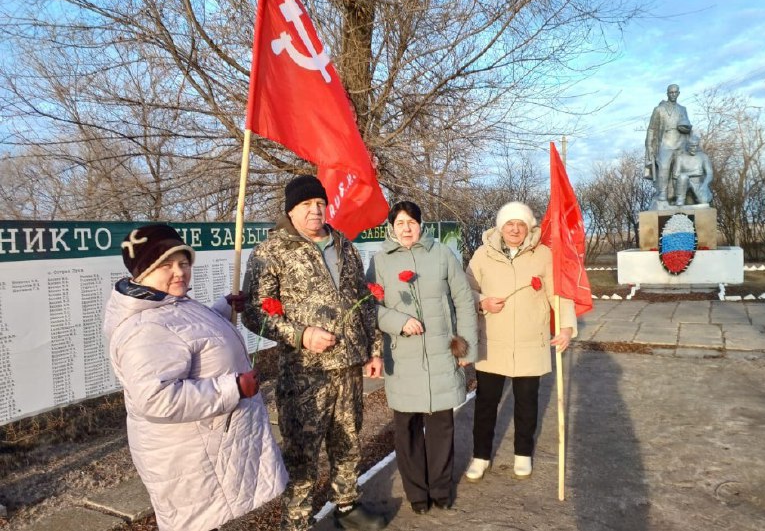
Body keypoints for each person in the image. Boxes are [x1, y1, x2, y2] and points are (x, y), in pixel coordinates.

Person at [103, 224, 287, 531]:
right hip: (190, 454)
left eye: (184, 263)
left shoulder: (168, 302)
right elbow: (158, 398)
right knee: (200, 522)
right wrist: (234, 388)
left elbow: (187, 333)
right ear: (142, 272)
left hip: (207, 444)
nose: (179, 272)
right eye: (165, 265)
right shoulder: (143, 327)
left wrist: (222, 309)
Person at [242, 175, 387, 531]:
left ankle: (348, 506)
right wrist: (302, 334)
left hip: (349, 365)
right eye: (306, 204)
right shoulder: (271, 252)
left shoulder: (343, 244)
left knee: (348, 439)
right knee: (302, 451)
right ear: (291, 210)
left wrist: (375, 350)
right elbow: (254, 311)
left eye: (319, 203)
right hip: (305, 372)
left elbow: (363, 302)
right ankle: (297, 522)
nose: (314, 210)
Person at [366, 201, 478, 515]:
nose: (406, 228)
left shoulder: (442, 255)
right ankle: (417, 492)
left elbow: (464, 301)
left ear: (420, 225)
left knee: (442, 426)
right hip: (402, 359)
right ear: (391, 227)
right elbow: (368, 306)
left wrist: (465, 348)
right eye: (399, 223)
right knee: (407, 429)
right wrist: (397, 322)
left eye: (411, 222)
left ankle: (441, 489)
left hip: (443, 354)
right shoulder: (380, 262)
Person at [464, 202, 577, 482]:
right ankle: (481, 456)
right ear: (501, 227)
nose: (515, 229)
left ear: (529, 227)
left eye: (520, 224)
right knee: (486, 403)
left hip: (531, 340)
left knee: (527, 402)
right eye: (509, 224)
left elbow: (557, 293)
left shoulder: (543, 255)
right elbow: (465, 290)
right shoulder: (482, 255)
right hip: (493, 341)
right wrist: (483, 302)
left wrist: (566, 326)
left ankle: (523, 453)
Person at [645, 83, 693, 204]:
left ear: (678, 93)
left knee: (679, 171)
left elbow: (687, 126)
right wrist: (649, 145)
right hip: (665, 143)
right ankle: (662, 193)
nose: (673, 94)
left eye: (675, 92)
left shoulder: (683, 109)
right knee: (664, 168)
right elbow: (651, 129)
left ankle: (679, 196)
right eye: (671, 92)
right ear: (667, 93)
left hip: (680, 143)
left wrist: (687, 130)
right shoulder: (659, 110)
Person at [673, 136, 713, 206]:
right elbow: (676, 174)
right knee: (683, 177)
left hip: (698, 184)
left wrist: (705, 185)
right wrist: (693, 173)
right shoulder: (680, 157)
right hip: (684, 183)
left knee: (704, 201)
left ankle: (701, 195)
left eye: (696, 146)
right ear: (687, 146)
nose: (694, 148)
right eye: (692, 146)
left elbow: (709, 173)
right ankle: (680, 199)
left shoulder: (703, 157)